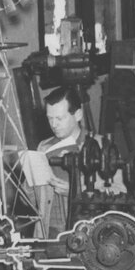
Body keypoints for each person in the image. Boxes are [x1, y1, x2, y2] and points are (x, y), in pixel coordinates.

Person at [24, 86, 88, 237]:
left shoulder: (98, 146)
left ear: (78, 114)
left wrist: (75, 192)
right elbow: (28, 202)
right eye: (50, 118)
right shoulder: (44, 147)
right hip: (47, 233)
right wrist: (29, 180)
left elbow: (119, 191)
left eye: (59, 118)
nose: (54, 125)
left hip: (84, 233)